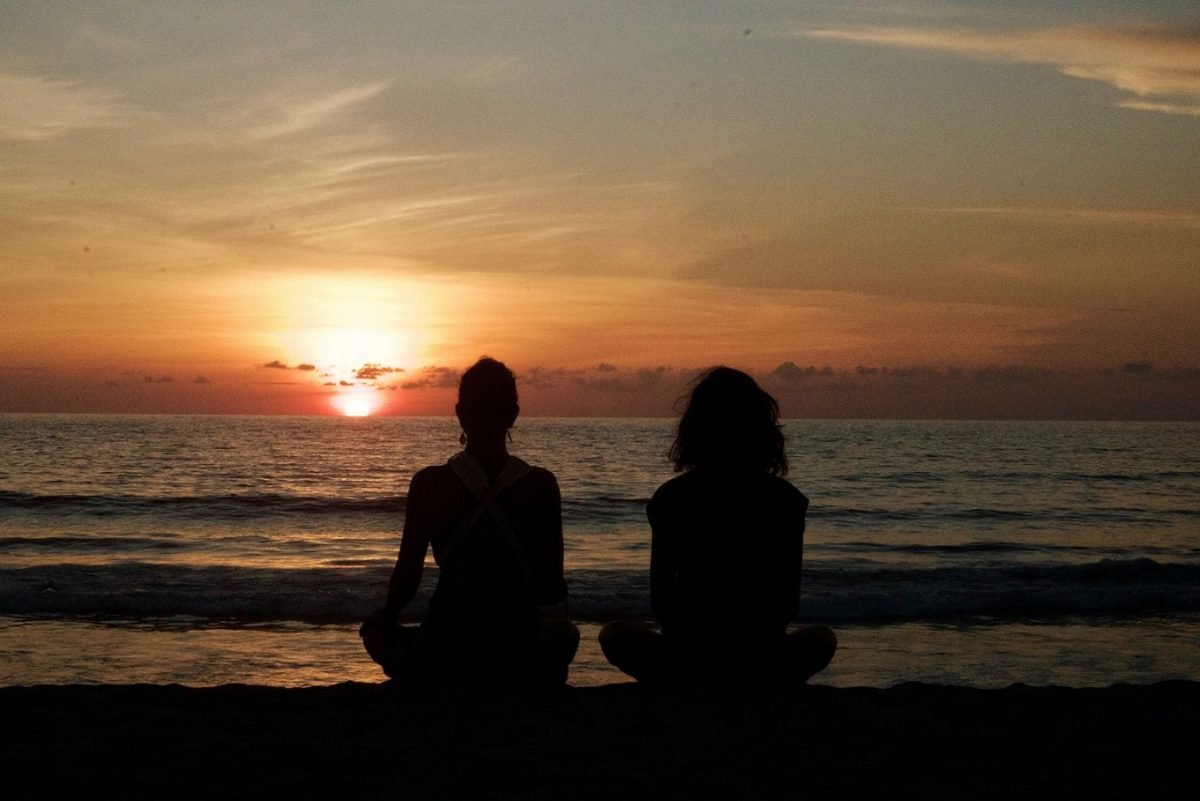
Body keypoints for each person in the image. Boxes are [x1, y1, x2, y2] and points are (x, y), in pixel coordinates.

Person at [599, 366, 836, 686]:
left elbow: (662, 601)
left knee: (615, 634)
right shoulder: (785, 500)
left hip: (687, 656)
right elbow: (786, 602)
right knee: (821, 639)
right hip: (760, 656)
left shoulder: (672, 498)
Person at [360, 357, 579, 688]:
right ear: (514, 415)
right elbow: (550, 584)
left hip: (445, 646)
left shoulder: (429, 484)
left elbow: (407, 578)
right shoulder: (541, 485)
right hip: (518, 648)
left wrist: (386, 616)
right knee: (565, 635)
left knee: (375, 634)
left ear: (460, 414)